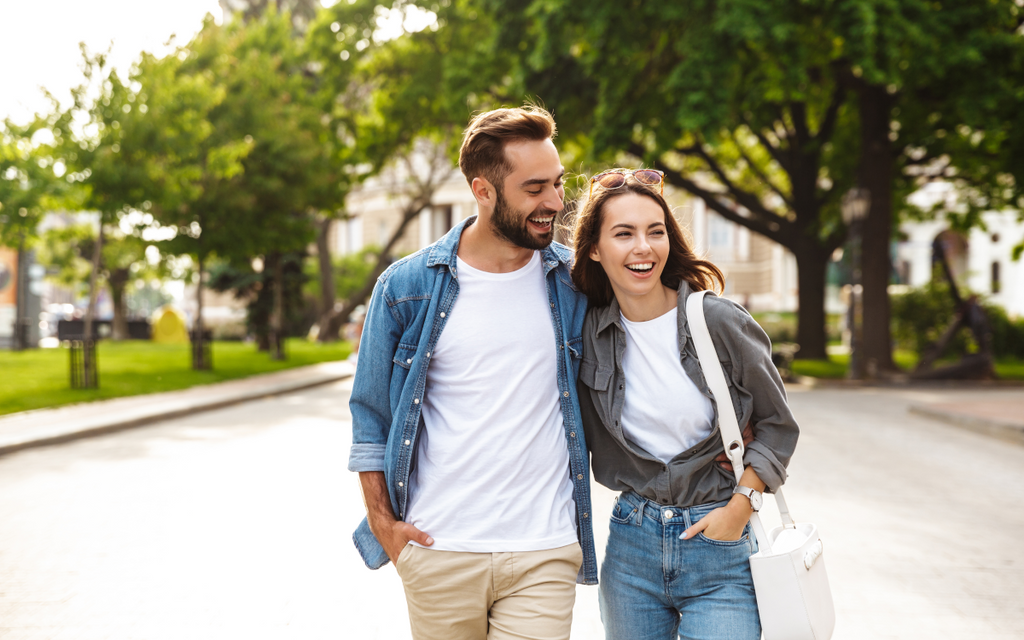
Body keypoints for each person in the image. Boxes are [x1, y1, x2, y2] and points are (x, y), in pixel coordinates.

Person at [347, 105, 597, 640]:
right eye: (535, 189)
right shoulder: (405, 287)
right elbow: (370, 416)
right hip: (440, 549)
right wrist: (384, 526)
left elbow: (648, 340)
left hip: (544, 549)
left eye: (557, 183)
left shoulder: (575, 281)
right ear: (483, 191)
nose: (555, 202)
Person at [571, 169, 800, 640]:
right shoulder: (585, 335)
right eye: (624, 234)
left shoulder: (717, 321)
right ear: (595, 248)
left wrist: (741, 507)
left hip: (720, 542)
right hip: (632, 545)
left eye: (656, 232)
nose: (644, 247)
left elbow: (777, 426)